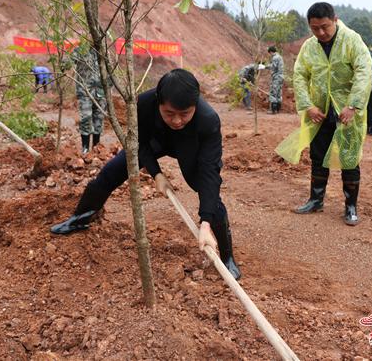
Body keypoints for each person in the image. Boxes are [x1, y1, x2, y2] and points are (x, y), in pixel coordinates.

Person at [50, 69, 241, 280]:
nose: (177, 120)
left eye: (185, 113)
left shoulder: (208, 120)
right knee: (110, 172)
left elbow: (210, 173)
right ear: (159, 103)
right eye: (169, 113)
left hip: (190, 147)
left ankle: (227, 257)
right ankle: (80, 218)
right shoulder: (143, 104)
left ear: (195, 105)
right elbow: (138, 143)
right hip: (154, 141)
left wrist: (205, 223)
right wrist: (156, 173)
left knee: (209, 196)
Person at [276, 2, 372, 225]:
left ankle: (350, 207)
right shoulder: (310, 46)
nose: (320, 32)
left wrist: (353, 106)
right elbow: (299, 75)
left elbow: (364, 72)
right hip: (319, 111)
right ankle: (316, 200)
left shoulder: (352, 40)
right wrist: (308, 106)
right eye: (315, 28)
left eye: (325, 27)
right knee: (318, 156)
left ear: (335, 20)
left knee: (348, 158)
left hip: (347, 112)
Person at [65, 45, 107, 154]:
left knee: (99, 119)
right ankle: (85, 148)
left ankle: (96, 147)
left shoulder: (103, 51)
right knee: (86, 118)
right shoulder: (80, 50)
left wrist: (108, 88)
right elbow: (66, 64)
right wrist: (65, 59)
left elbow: (110, 71)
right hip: (85, 92)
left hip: (101, 93)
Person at [266, 46, 284, 114]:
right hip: (281, 77)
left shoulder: (275, 57)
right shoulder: (280, 57)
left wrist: (265, 66)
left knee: (273, 93)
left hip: (276, 77)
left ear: (271, 52)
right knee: (279, 93)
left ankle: (273, 110)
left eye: (269, 53)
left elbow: (273, 66)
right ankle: (278, 109)